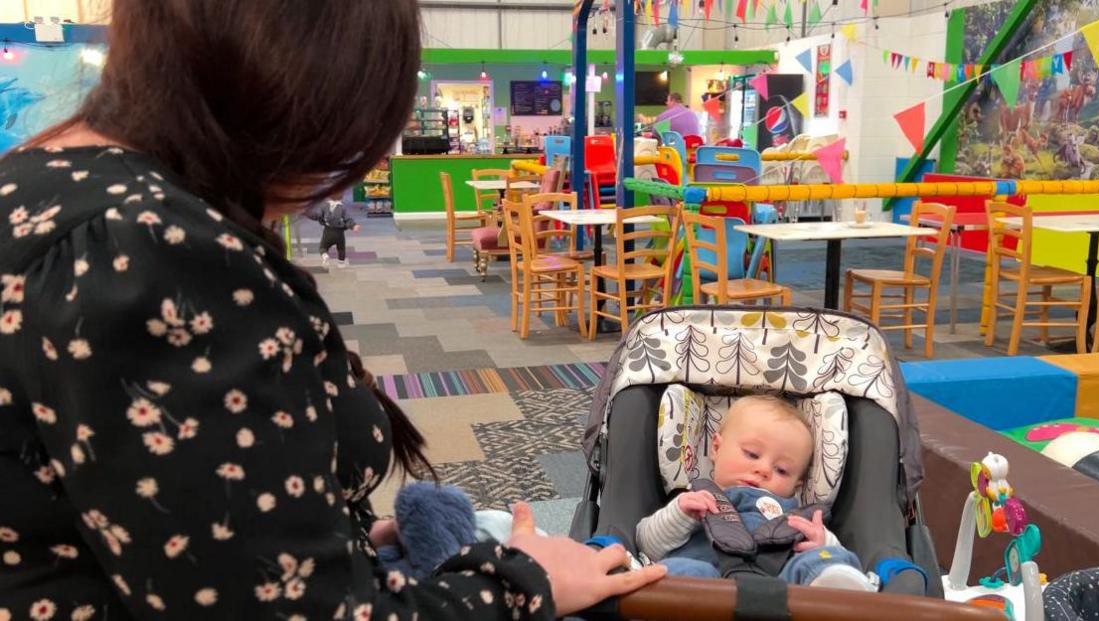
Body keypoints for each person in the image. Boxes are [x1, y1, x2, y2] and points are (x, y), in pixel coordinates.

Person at [0, 1, 666, 620]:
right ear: (304, 92)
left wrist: (315, 536)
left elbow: (163, 519)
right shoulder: (152, 252)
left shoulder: (40, 185)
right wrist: (524, 580)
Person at [636, 395, 874, 591]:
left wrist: (823, 542)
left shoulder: (800, 516)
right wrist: (679, 516)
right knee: (678, 568)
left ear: (797, 485)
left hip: (782, 591)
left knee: (824, 561)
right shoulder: (695, 499)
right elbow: (648, 543)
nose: (762, 470)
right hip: (707, 588)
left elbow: (832, 550)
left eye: (781, 470)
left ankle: (836, 591)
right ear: (716, 448)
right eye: (751, 454)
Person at [313, 192, 359, 268]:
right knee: (341, 249)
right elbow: (348, 219)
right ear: (341, 197)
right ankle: (341, 263)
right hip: (339, 233)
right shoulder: (342, 207)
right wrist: (353, 226)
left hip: (328, 231)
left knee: (323, 247)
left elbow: (317, 215)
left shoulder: (324, 206)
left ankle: (325, 256)